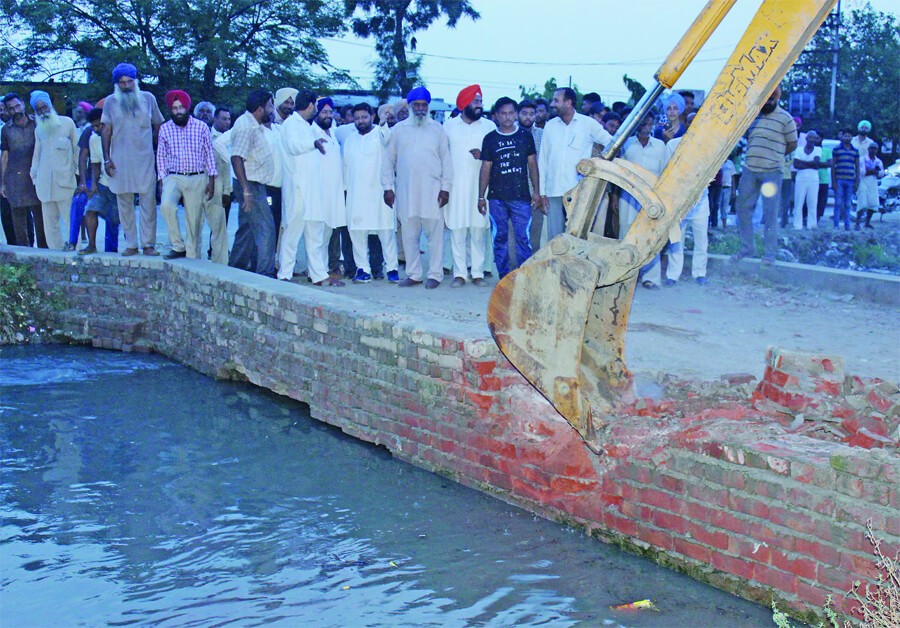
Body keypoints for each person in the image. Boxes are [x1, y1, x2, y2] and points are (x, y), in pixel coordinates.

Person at [382, 86, 452, 289]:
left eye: (424, 105)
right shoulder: (399, 130)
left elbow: (446, 161)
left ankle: (435, 275)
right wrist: (388, 187)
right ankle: (413, 274)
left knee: (435, 235)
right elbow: (388, 161)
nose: (420, 108)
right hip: (406, 191)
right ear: (410, 106)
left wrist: (445, 188)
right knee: (409, 235)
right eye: (417, 105)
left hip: (433, 191)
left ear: (428, 107)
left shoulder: (438, 129)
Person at [101, 63, 165, 256]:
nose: (126, 86)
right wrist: (106, 159)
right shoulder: (111, 102)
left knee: (148, 203)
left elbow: (158, 127)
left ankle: (148, 244)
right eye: (122, 83)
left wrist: (159, 154)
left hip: (145, 159)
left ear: (135, 81)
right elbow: (106, 130)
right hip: (120, 160)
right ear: (116, 84)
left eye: (130, 81)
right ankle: (131, 244)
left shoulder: (148, 98)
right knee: (124, 203)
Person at [278, 89, 340, 286]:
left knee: (315, 234)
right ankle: (284, 274)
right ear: (311, 105)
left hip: (313, 191)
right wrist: (312, 143)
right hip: (297, 190)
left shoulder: (307, 125)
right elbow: (293, 146)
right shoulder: (290, 124)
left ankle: (319, 275)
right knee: (292, 234)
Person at [733, 86, 797, 264]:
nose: (767, 103)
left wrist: (775, 156)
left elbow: (792, 144)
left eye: (771, 99)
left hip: (772, 173)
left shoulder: (786, 118)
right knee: (743, 209)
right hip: (749, 171)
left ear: (777, 98)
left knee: (770, 212)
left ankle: (769, 254)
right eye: (765, 99)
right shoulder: (752, 116)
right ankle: (747, 248)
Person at [478, 97, 540, 279]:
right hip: (496, 198)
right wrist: (481, 196)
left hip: (521, 197)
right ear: (496, 116)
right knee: (500, 238)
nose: (507, 117)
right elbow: (485, 168)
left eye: (511, 113)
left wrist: (536, 191)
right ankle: (504, 277)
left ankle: (524, 277)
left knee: (523, 238)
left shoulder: (525, 137)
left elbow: (532, 165)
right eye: (503, 113)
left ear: (516, 114)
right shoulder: (490, 139)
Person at [538, 87, 612, 241]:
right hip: (554, 191)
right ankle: (557, 266)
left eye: (556, 100)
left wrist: (597, 165)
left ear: (569, 102)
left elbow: (611, 143)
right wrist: (542, 192)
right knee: (555, 239)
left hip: (578, 191)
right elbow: (543, 160)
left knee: (577, 237)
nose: (552, 104)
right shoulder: (550, 126)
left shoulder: (587, 124)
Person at [156, 89, 221, 261]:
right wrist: (162, 180)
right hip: (173, 176)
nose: (178, 112)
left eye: (181, 108)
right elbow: (161, 156)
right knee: (166, 206)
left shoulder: (201, 127)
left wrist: (212, 180)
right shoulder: (165, 129)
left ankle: (192, 257)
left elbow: (209, 155)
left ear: (187, 107)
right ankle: (178, 246)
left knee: (194, 221)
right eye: (175, 108)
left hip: (197, 177)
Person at [444, 84, 495, 287]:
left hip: (481, 189)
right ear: (464, 104)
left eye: (480, 101)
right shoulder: (448, 127)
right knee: (457, 230)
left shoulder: (489, 127)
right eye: (475, 102)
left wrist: (483, 156)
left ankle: (478, 273)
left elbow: (496, 158)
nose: (479, 105)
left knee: (478, 230)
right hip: (456, 187)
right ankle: (459, 274)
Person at [343, 102, 400, 284]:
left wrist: (384, 122)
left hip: (380, 193)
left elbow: (387, 138)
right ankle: (363, 269)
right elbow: (346, 167)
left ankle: (392, 268)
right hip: (356, 194)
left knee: (386, 232)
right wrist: (345, 191)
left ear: (372, 117)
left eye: (364, 117)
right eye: (357, 118)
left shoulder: (381, 134)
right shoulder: (351, 139)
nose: (361, 121)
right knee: (357, 233)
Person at [228, 89, 277, 276]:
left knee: (247, 230)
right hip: (250, 185)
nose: (272, 110)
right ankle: (265, 274)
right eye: (270, 105)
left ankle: (236, 269)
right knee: (266, 228)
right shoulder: (245, 126)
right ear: (259, 108)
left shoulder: (254, 124)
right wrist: (247, 191)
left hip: (253, 184)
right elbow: (236, 158)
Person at [659, 129, 710, 286]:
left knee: (701, 240)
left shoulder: (708, 144)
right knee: (676, 240)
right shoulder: (674, 144)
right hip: (678, 202)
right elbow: (666, 170)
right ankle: (673, 275)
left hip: (700, 202)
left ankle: (700, 273)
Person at [29, 90, 79, 250]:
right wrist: (34, 177)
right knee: (50, 226)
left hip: (66, 182)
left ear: (50, 105)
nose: (43, 111)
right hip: (44, 185)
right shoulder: (39, 130)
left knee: (71, 221)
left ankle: (76, 253)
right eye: (39, 109)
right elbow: (37, 154)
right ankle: (56, 255)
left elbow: (78, 151)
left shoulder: (67, 123)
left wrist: (78, 176)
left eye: (45, 107)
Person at [313, 98, 353, 280]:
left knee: (329, 232)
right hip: (320, 190)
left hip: (335, 191)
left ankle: (326, 269)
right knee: (319, 234)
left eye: (330, 112)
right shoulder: (312, 133)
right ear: (316, 113)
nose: (327, 116)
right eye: (324, 112)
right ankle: (318, 271)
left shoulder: (334, 133)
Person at [1, 92, 45, 247]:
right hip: (15, 179)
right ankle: (24, 256)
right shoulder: (6, 129)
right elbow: (5, 156)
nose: (15, 110)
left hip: (36, 177)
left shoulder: (38, 123)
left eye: (17, 106)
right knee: (18, 222)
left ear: (23, 104)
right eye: (11, 109)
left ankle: (43, 253)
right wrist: (2, 183)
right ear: (6, 111)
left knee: (40, 218)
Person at [79, 108, 120, 255]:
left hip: (119, 184)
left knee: (113, 220)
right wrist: (94, 184)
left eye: (99, 125)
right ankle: (91, 245)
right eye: (93, 126)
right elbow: (95, 162)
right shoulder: (93, 138)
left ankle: (112, 250)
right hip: (102, 183)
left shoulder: (118, 136)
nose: (96, 129)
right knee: (90, 210)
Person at [792, 129, 821, 230]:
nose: (812, 139)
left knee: (812, 202)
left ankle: (812, 225)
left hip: (813, 179)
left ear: (816, 139)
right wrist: (810, 163)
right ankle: (797, 225)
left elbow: (816, 164)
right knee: (798, 202)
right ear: (806, 138)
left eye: (814, 137)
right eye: (810, 137)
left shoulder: (818, 149)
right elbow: (796, 165)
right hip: (801, 179)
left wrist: (803, 162)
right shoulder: (799, 149)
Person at [209, 107, 233, 228]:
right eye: (224, 119)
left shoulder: (233, 137)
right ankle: (213, 247)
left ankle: (220, 247)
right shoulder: (207, 136)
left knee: (224, 221)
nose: (227, 122)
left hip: (229, 186)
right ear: (215, 119)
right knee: (213, 221)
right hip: (212, 184)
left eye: (229, 119)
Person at [831, 128, 859, 231]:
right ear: (842, 137)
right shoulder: (837, 149)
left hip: (850, 180)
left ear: (852, 137)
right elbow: (833, 166)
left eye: (849, 136)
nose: (847, 138)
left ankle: (847, 226)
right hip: (839, 179)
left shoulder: (855, 151)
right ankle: (836, 226)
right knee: (838, 203)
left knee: (848, 204)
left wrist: (857, 182)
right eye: (845, 135)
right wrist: (833, 182)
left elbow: (857, 167)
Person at [855, 143, 883, 230]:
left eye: (875, 149)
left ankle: (867, 222)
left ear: (877, 150)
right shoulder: (862, 159)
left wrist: (872, 171)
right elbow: (862, 172)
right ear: (868, 149)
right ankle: (857, 223)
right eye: (871, 148)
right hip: (863, 182)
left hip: (873, 182)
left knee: (872, 203)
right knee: (862, 202)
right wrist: (874, 171)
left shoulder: (878, 161)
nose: (873, 150)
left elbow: (881, 174)